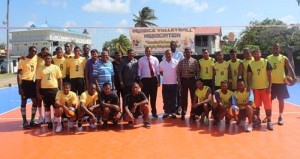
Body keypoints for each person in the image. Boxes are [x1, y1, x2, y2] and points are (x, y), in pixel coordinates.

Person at [266, 43, 297, 125]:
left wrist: (294, 76)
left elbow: (289, 67)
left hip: (281, 83)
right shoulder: (268, 58)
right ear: (272, 48)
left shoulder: (283, 58)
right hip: (271, 83)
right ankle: (268, 116)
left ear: (279, 49)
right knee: (269, 101)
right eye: (274, 47)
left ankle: (280, 117)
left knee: (281, 100)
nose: (276, 49)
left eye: (277, 47)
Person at [247, 50, 273, 130]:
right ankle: (258, 119)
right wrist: (249, 86)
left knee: (268, 106)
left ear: (260, 54)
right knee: (256, 106)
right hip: (255, 88)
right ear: (252, 55)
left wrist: (269, 87)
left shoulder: (265, 62)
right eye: (254, 54)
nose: (256, 55)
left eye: (257, 53)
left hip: (265, 88)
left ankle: (269, 121)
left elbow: (270, 75)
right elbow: (249, 76)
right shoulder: (250, 64)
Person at [36, 53, 62, 129]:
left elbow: (60, 79)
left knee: (56, 106)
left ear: (51, 59)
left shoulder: (56, 68)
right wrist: (38, 92)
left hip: (54, 89)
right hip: (44, 90)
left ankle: (58, 123)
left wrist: (60, 90)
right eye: (46, 58)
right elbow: (38, 82)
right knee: (47, 107)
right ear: (44, 59)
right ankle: (49, 121)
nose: (47, 60)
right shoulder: (40, 69)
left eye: (49, 58)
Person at [17, 46, 40, 128]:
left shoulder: (37, 57)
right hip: (24, 83)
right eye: (33, 51)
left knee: (35, 101)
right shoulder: (22, 60)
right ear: (29, 51)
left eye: (35, 51)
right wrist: (19, 87)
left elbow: (44, 53)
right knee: (23, 102)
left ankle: (32, 121)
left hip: (32, 83)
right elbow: (19, 74)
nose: (34, 53)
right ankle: (24, 121)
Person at [177, 47, 200, 120]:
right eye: (186, 52)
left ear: (191, 53)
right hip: (184, 81)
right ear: (184, 53)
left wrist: (197, 82)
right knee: (183, 98)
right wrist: (179, 82)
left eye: (188, 52)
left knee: (194, 98)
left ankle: (193, 113)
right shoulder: (181, 61)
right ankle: (183, 113)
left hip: (192, 81)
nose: (187, 53)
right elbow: (178, 73)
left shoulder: (195, 61)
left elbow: (198, 72)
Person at [138, 47, 160, 118]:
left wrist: (158, 80)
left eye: (149, 51)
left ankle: (154, 112)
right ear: (145, 52)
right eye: (146, 51)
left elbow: (157, 71)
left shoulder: (155, 59)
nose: (148, 52)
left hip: (153, 80)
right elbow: (139, 72)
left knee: (153, 97)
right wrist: (140, 82)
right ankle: (145, 113)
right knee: (145, 98)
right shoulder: (141, 60)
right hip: (144, 81)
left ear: (151, 51)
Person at [163, 41, 184, 115]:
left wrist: (179, 78)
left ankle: (178, 108)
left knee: (178, 95)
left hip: (177, 78)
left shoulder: (180, 54)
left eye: (174, 45)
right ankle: (168, 110)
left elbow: (182, 65)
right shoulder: (165, 54)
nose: (172, 46)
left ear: (176, 46)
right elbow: (163, 68)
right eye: (171, 45)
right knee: (168, 96)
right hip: (168, 80)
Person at [118, 49, 139, 114]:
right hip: (126, 84)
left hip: (134, 84)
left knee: (134, 98)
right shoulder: (123, 62)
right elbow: (119, 72)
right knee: (126, 99)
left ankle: (134, 113)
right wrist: (121, 82)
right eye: (130, 53)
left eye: (132, 53)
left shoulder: (136, 61)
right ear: (127, 54)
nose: (131, 54)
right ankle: (125, 113)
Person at [159, 50, 178, 119]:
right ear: (165, 54)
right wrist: (166, 76)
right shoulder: (162, 63)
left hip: (174, 83)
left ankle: (173, 112)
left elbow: (178, 72)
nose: (168, 55)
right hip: (165, 84)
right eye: (167, 54)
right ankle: (166, 112)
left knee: (173, 99)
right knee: (166, 99)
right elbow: (161, 72)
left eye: (169, 54)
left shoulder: (176, 62)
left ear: (172, 54)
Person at [36, 47, 49, 124]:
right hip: (39, 81)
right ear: (41, 52)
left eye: (46, 52)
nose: (45, 53)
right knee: (39, 99)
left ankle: (48, 117)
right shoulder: (37, 58)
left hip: (47, 83)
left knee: (48, 101)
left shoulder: (50, 59)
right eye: (44, 52)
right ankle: (40, 116)